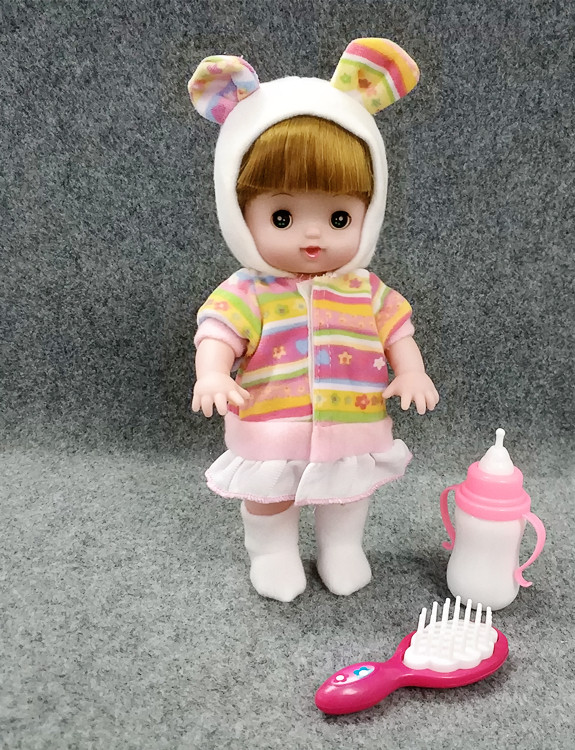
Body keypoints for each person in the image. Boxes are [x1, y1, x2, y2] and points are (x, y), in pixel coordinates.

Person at [188, 40, 438, 602]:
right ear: (239, 213)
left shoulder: (365, 289)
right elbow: (218, 332)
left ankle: (341, 547)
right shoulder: (248, 290)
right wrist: (213, 374)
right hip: (270, 422)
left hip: (352, 421)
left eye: (339, 216)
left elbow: (398, 332)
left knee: (348, 491)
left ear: (368, 213)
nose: (312, 234)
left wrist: (411, 371)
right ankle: (272, 551)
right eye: (282, 215)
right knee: (270, 493)